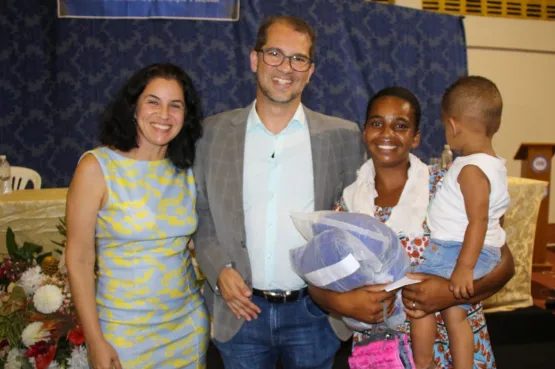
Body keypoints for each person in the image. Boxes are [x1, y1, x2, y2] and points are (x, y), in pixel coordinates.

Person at [193, 15, 396, 369]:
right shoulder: (211, 135)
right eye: (274, 53)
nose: (286, 67)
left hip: (314, 313)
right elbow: (202, 212)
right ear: (254, 59)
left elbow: (363, 215)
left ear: (311, 70)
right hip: (240, 312)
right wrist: (218, 270)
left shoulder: (343, 137)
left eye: (298, 58)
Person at [309, 86, 515, 369]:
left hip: (454, 352)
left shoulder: (449, 185)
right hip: (384, 353)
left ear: (416, 137)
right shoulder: (348, 205)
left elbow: (503, 263)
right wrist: (345, 303)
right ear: (365, 132)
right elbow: (320, 280)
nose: (386, 134)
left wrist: (448, 292)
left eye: (401, 125)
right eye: (377, 123)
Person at [65, 63, 209, 369]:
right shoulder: (97, 167)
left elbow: (200, 241)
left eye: (176, 105)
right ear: (133, 108)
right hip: (122, 335)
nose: (164, 114)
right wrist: (95, 341)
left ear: (186, 115)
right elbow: (78, 259)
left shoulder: (187, 169)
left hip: (187, 329)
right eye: (153, 102)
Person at [410, 76, 510, 369]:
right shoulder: (494, 164)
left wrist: (464, 268)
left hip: (456, 250)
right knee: (456, 314)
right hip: (473, 250)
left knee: (416, 298)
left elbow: (478, 221)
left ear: (454, 125)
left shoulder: (470, 169)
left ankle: (423, 362)